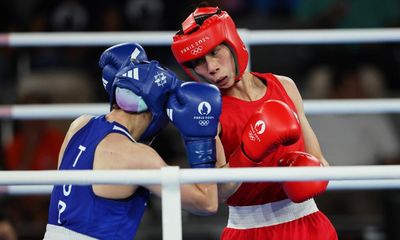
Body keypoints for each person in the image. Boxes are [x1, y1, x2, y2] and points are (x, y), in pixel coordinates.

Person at [171, 5, 337, 240]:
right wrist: (250, 152)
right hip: (249, 230)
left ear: (232, 43)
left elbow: (320, 162)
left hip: (309, 224)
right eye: (198, 62)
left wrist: (308, 173)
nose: (211, 67)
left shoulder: (285, 86)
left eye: (216, 52)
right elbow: (216, 193)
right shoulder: (207, 113)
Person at [43, 42, 222, 239]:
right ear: (157, 114)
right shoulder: (139, 158)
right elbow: (207, 202)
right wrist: (204, 136)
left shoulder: (79, 125)